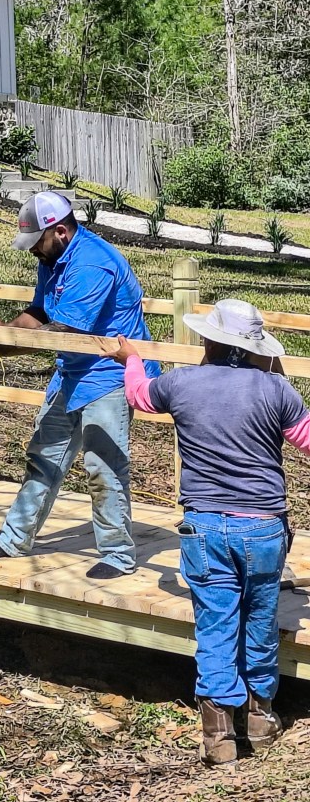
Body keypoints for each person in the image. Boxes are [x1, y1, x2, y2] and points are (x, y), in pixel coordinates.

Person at [104, 299, 310, 766]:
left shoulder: (181, 383)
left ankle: (219, 738)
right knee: (260, 620)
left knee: (216, 625)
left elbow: (139, 395)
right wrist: (278, 378)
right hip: (263, 527)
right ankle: (260, 718)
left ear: (208, 340)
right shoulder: (276, 390)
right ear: (256, 348)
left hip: (205, 527)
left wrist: (131, 358)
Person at [0, 190, 160, 580]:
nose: (33, 250)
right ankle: (14, 540)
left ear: (61, 232)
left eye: (37, 241)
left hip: (109, 374)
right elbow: (39, 314)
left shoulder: (93, 264)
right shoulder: (53, 259)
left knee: (103, 466)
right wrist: (2, 332)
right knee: (44, 457)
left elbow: (63, 331)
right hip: (72, 371)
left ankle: (118, 554)